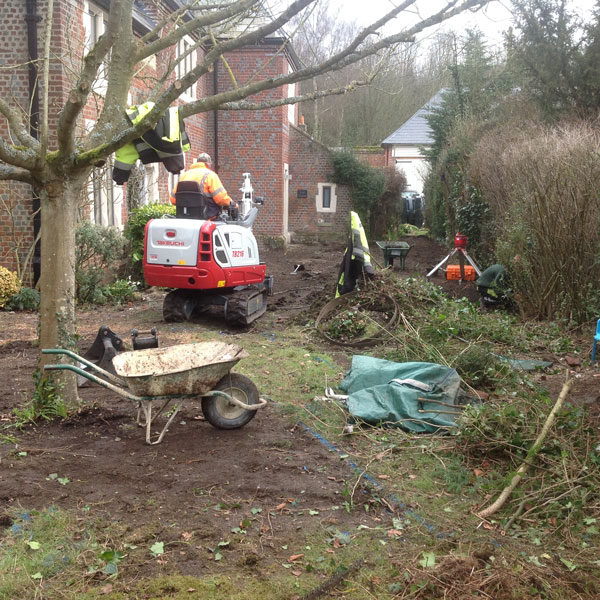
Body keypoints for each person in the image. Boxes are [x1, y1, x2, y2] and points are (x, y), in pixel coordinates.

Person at [170, 153, 237, 219]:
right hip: (207, 218)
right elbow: (221, 199)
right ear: (209, 164)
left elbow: (173, 199)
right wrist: (233, 204)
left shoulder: (184, 175)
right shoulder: (211, 175)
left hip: (185, 217)